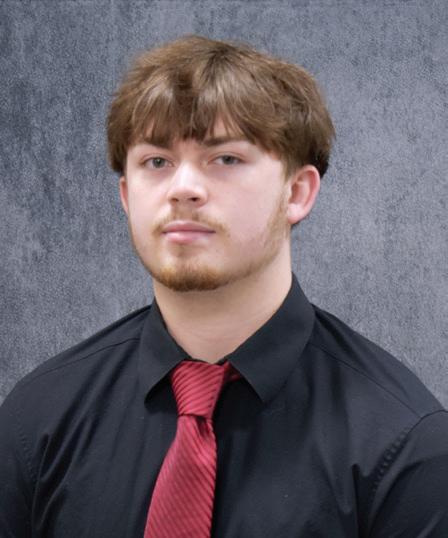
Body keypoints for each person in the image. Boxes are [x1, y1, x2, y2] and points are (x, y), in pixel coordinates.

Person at [1, 34, 447, 538]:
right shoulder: (36, 421)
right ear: (126, 196)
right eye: (156, 162)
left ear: (297, 192)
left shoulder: (406, 446)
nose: (183, 188)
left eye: (226, 159)